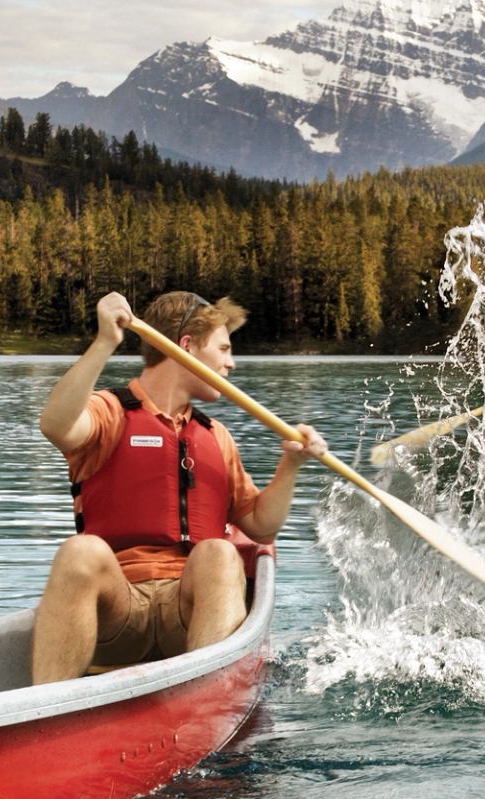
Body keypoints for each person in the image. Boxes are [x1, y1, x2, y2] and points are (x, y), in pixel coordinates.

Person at [32, 288, 325, 684]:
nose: (231, 364)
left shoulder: (215, 436)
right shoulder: (111, 412)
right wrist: (104, 343)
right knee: (80, 551)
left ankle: (206, 696)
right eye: (222, 349)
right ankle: (47, 714)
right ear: (186, 346)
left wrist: (291, 464)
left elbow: (260, 525)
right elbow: (57, 425)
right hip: (117, 613)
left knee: (220, 554)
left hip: (187, 614)